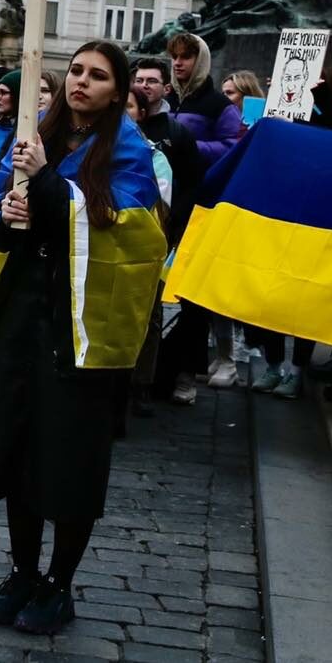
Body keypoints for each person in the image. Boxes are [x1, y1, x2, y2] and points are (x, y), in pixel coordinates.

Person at [0, 41, 165, 637]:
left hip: (81, 326)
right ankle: (23, 571)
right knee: (18, 445)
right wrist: (9, 211)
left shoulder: (130, 151)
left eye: (98, 76)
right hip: (24, 308)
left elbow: (126, 230)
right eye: (76, 70)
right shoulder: (33, 135)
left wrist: (47, 185)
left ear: (118, 89)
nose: (82, 82)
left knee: (69, 457)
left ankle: (60, 582)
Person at [127, 57, 206, 413]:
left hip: (160, 234)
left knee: (152, 312)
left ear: (165, 88)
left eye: (151, 81)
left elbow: (191, 186)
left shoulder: (177, 134)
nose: (144, 85)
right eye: (138, 80)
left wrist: (175, 230)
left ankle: (142, 384)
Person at [162, 31, 244, 164]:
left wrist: (191, 146)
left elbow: (233, 147)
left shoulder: (221, 105)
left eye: (185, 57)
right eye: (174, 56)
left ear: (200, 60)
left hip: (199, 181)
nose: (177, 62)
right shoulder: (164, 100)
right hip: (163, 181)